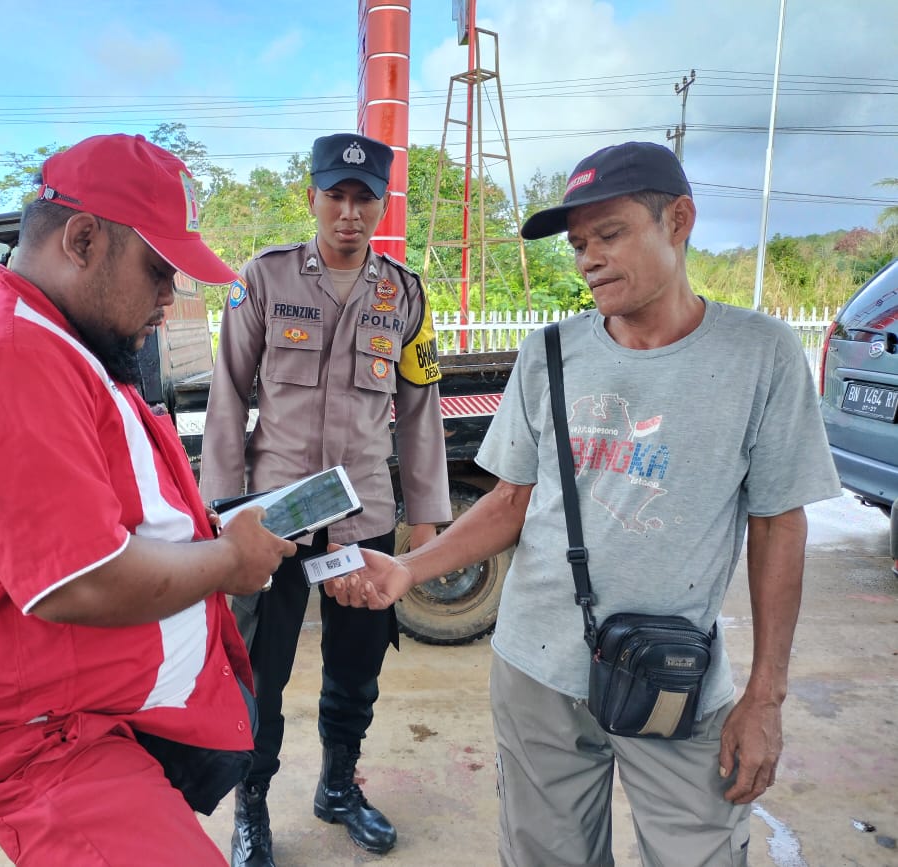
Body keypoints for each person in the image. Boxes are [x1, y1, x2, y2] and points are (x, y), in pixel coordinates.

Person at [326, 141, 843, 866]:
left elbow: (779, 524)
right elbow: (510, 502)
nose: (590, 258)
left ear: (680, 221)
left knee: (699, 852)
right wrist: (410, 570)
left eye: (610, 234)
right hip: (537, 670)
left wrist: (766, 696)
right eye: (578, 245)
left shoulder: (761, 355)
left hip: (675, 676)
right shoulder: (550, 353)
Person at [0, 133, 297, 866]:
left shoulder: (65, 343)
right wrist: (230, 559)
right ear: (82, 239)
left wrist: (202, 529)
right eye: (159, 271)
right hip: (41, 738)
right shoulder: (9, 358)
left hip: (95, 710)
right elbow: (83, 578)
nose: (170, 299)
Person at [199, 132, 452, 866]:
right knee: (261, 675)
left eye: (363, 199)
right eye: (334, 196)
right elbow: (226, 401)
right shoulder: (266, 279)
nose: (348, 212)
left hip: (364, 519)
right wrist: (225, 511)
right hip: (273, 521)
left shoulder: (403, 294)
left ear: (381, 205)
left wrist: (428, 533)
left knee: (356, 670)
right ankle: (253, 807)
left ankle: (339, 787)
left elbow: (420, 414)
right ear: (310, 198)